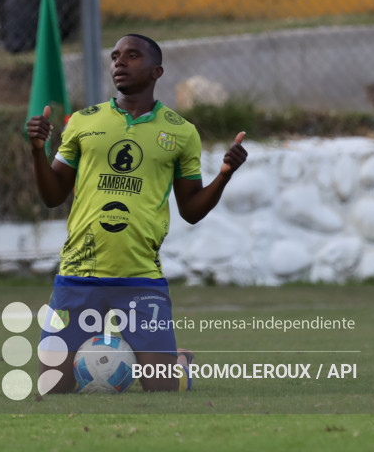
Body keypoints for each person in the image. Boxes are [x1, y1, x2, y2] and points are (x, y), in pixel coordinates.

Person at [25, 34, 249, 393]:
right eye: (115, 57)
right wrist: (38, 150)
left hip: (140, 279)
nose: (119, 62)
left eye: (132, 55)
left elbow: (191, 210)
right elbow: (53, 196)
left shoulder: (180, 132)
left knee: (162, 389)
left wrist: (224, 176)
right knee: (52, 388)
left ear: (157, 70)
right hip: (78, 275)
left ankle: (179, 363)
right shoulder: (83, 122)